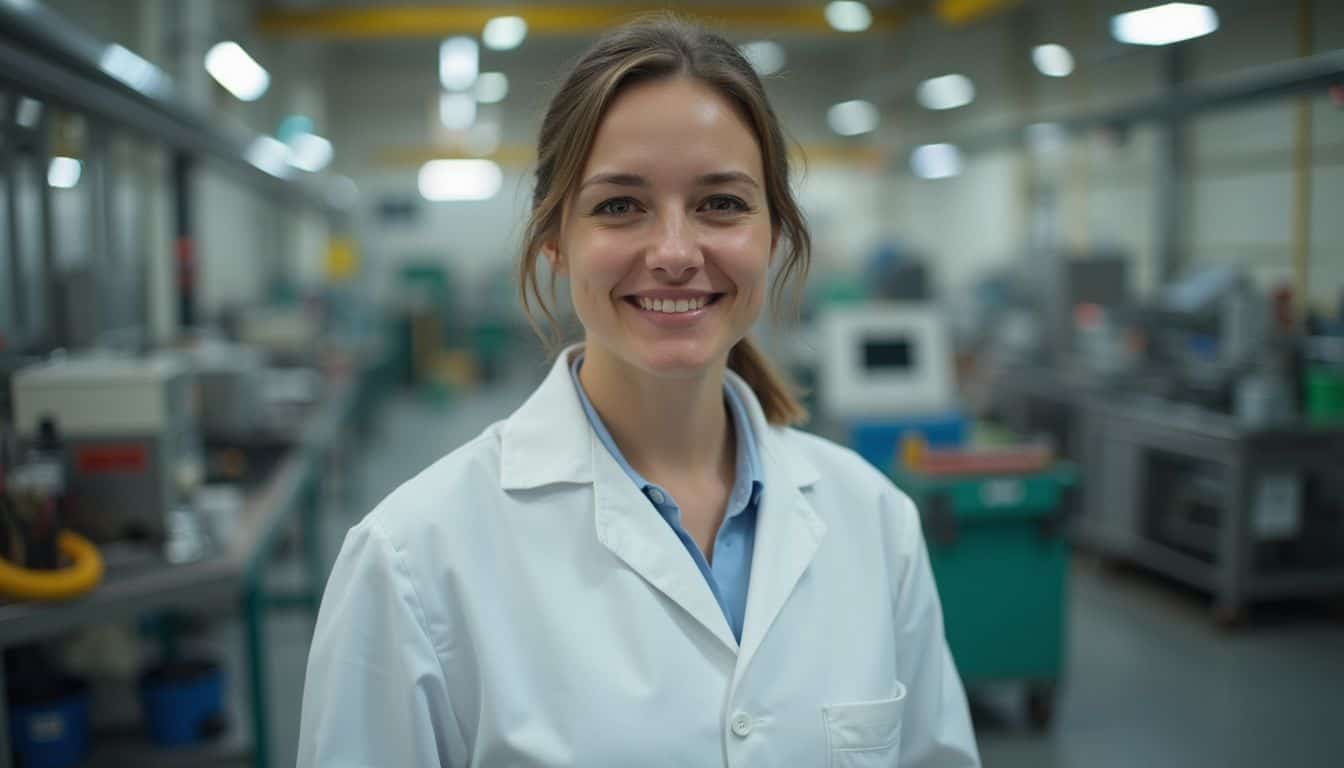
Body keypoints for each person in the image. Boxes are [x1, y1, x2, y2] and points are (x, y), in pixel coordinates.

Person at [298, 14, 980, 767]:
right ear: (554, 238)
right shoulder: (414, 560)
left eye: (722, 203)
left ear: (774, 232)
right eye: (620, 206)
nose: (676, 253)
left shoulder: (874, 522)